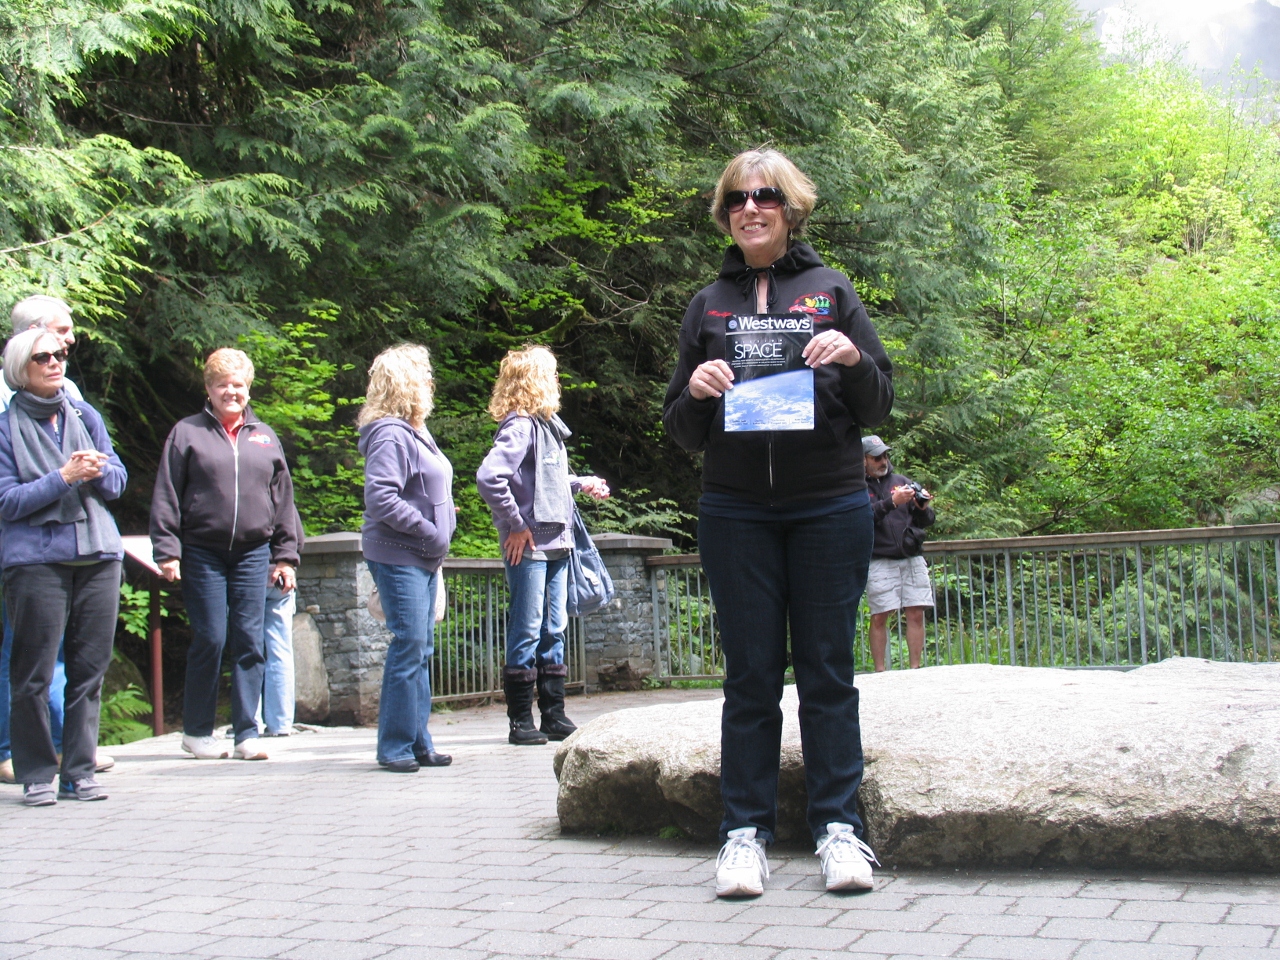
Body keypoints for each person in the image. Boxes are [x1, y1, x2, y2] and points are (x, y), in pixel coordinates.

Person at [663, 149, 894, 897]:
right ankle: (742, 837)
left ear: (789, 208)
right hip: (735, 510)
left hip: (828, 504)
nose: (750, 209)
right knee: (751, 678)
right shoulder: (708, 306)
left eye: (765, 197)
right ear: (726, 213)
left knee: (828, 672)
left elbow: (879, 404)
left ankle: (839, 832)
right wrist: (697, 392)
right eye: (737, 199)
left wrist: (853, 357)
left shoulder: (830, 292)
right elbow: (682, 431)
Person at [150, 348, 300, 762]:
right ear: (208, 389)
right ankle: (196, 731)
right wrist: (167, 549)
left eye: (238, 385)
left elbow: (283, 500)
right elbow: (167, 493)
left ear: (248, 388)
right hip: (202, 552)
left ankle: (246, 734)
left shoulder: (265, 436)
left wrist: (285, 556)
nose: (231, 392)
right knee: (212, 637)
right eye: (223, 385)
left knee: (250, 640)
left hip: (254, 552)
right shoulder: (187, 433)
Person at [0, 327, 127, 805]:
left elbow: (118, 480)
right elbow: (8, 501)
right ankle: (35, 772)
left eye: (59, 355)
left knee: (89, 669)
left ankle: (79, 771)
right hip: (36, 560)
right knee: (33, 673)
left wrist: (98, 470)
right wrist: (63, 478)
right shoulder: (5, 427)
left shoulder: (82, 413)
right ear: (20, 370)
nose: (56, 362)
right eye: (43, 358)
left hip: (97, 552)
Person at [477, 346, 610, 746]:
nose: (557, 381)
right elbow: (489, 478)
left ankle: (553, 715)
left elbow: (542, 480)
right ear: (533, 379)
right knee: (528, 629)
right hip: (531, 546)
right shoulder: (519, 426)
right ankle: (521, 721)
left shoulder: (545, 426)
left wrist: (580, 482)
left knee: (554, 628)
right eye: (551, 373)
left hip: (556, 544)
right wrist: (514, 526)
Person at [358, 343, 455, 773]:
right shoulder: (390, 432)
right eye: (424, 375)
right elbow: (380, 497)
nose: (431, 383)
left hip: (422, 555)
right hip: (400, 553)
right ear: (405, 383)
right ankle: (394, 746)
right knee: (410, 644)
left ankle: (419, 741)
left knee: (421, 647)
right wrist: (429, 531)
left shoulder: (414, 430)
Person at [863, 435, 936, 671]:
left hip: (911, 556)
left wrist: (922, 507)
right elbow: (862, 519)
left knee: (916, 612)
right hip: (880, 559)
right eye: (876, 457)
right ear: (863, 460)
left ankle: (915, 669)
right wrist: (891, 503)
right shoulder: (857, 487)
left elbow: (927, 520)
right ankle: (880, 672)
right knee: (881, 615)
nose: (882, 461)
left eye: (885, 455)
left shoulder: (902, 481)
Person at [260, 505, 303, 736]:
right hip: (281, 580)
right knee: (281, 649)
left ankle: (250, 720)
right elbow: (298, 537)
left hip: (251, 576)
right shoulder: (280, 498)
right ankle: (281, 722)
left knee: (248, 647)